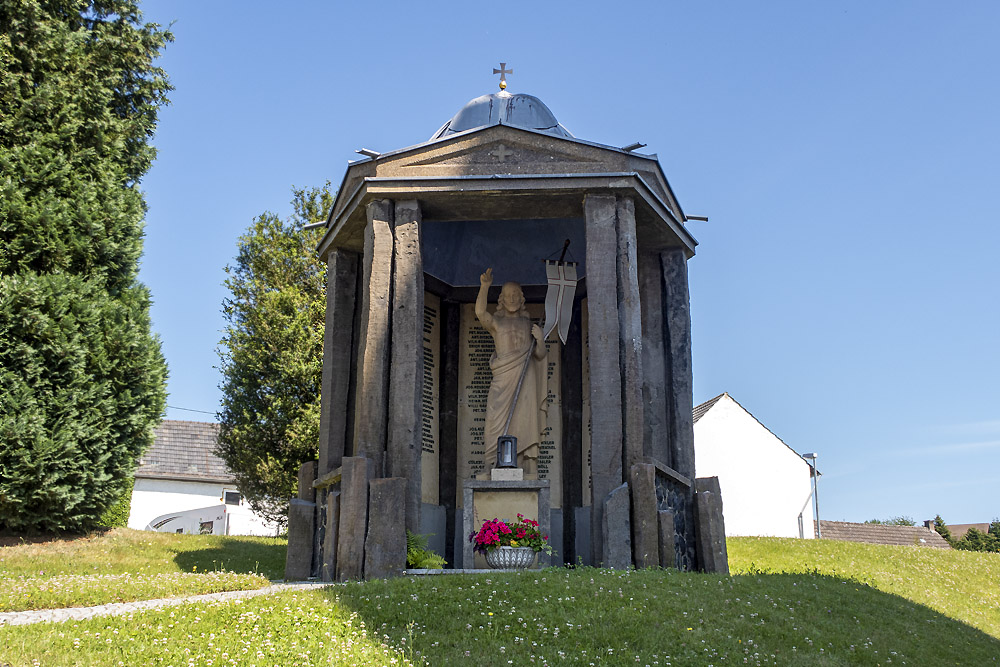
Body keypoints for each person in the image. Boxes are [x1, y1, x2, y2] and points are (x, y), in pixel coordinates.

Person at [475, 268, 547, 474]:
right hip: (503, 378)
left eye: (516, 294)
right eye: (509, 295)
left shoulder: (528, 324)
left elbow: (540, 355)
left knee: (526, 420)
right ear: (502, 299)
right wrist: (485, 286)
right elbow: (480, 313)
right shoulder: (497, 322)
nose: (513, 298)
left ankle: (528, 465)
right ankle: (491, 465)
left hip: (526, 378)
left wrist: (540, 339)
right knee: (493, 423)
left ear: (521, 298)